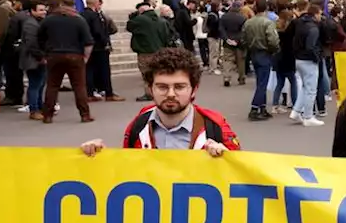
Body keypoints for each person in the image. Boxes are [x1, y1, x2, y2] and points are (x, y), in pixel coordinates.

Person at [80, 47, 240, 156]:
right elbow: (127, 174)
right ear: (150, 88)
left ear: (194, 89)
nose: (171, 94)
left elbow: (242, 179)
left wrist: (226, 157)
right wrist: (100, 157)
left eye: (179, 87)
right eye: (162, 87)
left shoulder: (215, 128)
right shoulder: (138, 126)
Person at [37, 1, 94, 124]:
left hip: (54, 55)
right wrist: (85, 58)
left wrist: (45, 54)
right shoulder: (79, 20)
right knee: (79, 86)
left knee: (52, 86)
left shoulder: (48, 20)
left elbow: (39, 38)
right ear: (72, 6)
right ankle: (85, 115)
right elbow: (88, 42)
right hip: (75, 55)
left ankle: (48, 115)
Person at [242, 0, 280, 121]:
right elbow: (273, 40)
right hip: (264, 52)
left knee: (260, 81)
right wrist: (274, 49)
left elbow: (243, 39)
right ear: (266, 8)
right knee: (263, 83)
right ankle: (254, 108)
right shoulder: (267, 23)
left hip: (253, 52)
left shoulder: (248, 23)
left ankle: (262, 108)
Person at [81, 0, 122, 103]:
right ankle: (109, 93)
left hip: (87, 46)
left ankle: (89, 93)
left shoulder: (82, 15)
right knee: (104, 70)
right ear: (95, 3)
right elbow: (98, 31)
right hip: (99, 47)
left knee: (89, 70)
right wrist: (105, 42)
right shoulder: (94, 16)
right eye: (98, 3)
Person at [290, 1, 325, 127]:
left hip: (298, 59)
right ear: (315, 14)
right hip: (308, 60)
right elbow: (311, 46)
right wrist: (317, 57)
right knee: (311, 90)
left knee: (305, 87)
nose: (321, 17)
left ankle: (296, 111)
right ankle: (308, 116)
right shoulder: (313, 28)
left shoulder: (300, 23)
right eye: (320, 14)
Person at [18, 1, 47, 120]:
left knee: (40, 84)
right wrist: (41, 57)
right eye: (40, 10)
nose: (44, 12)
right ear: (33, 11)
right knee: (35, 85)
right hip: (33, 59)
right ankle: (33, 109)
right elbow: (32, 44)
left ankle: (40, 107)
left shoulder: (39, 22)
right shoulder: (30, 24)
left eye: (44, 9)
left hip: (39, 58)